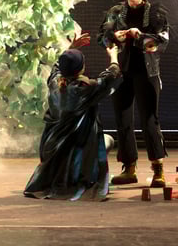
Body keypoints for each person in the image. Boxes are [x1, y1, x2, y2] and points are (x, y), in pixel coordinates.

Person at [24, 37, 121, 201]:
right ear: (81, 68)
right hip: (77, 152)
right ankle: (84, 175)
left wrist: (70, 48)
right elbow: (112, 76)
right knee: (108, 140)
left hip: (53, 149)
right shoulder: (84, 88)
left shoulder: (55, 83)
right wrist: (114, 55)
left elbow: (56, 68)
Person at [97, 0, 169, 187]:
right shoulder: (116, 12)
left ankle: (158, 169)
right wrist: (114, 36)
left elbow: (163, 40)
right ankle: (129, 167)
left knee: (149, 119)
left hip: (147, 71)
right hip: (122, 71)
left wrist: (140, 36)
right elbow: (102, 37)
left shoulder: (155, 11)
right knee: (123, 119)